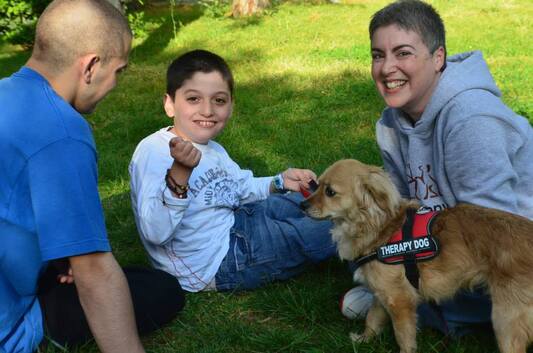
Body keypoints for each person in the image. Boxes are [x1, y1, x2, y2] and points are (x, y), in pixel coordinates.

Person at [340, 0, 533, 337]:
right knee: (339, 216)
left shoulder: (472, 121)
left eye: (403, 53)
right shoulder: (391, 122)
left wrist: (395, 273)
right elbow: (398, 214)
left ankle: (438, 310)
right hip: (442, 237)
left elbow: (491, 234)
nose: (387, 68)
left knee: (404, 290)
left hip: (508, 256)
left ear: (438, 57)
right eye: (377, 55)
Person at [0, 1, 184, 352]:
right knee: (159, 290)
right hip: (9, 321)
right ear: (91, 66)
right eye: (119, 71)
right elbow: (94, 271)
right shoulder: (62, 132)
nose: (115, 84)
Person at [129, 49, 337, 293]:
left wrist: (279, 181)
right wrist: (180, 173)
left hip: (238, 222)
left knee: (307, 201)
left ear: (231, 105)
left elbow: (238, 187)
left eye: (219, 100)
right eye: (193, 99)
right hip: (218, 262)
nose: (207, 110)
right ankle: (382, 244)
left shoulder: (213, 149)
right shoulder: (154, 151)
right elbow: (155, 232)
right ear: (170, 104)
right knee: (334, 229)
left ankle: (367, 220)